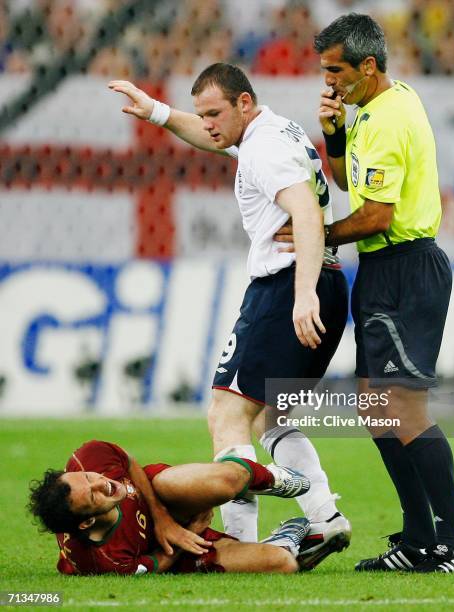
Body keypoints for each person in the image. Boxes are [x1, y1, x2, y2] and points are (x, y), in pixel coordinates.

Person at [108, 63, 351, 556]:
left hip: (288, 287)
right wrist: (155, 111)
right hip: (323, 280)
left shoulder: (263, 148)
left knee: (226, 413)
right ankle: (325, 517)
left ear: (244, 103)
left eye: (216, 112)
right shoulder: (271, 127)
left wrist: (302, 294)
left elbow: (305, 210)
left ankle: (239, 542)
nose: (209, 123)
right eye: (204, 113)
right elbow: (211, 136)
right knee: (268, 418)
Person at [276, 13, 454, 573]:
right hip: (386, 269)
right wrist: (336, 131)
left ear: (368, 66)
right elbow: (345, 182)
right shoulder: (377, 107)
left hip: (406, 268)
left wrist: (320, 236)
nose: (329, 81)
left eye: (336, 70)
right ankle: (419, 538)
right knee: (375, 407)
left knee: (402, 409)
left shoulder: (388, 120)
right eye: (323, 71)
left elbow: (376, 214)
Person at [28, 440, 337, 575]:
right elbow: (154, 566)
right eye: (94, 496)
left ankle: (271, 477)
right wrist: (188, 532)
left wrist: (162, 518)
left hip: (162, 493)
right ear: (86, 523)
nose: (102, 483)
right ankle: (283, 543)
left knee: (226, 481)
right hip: (177, 551)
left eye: (88, 478)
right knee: (281, 565)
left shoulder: (86, 458)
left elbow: (126, 460)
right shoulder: (104, 560)